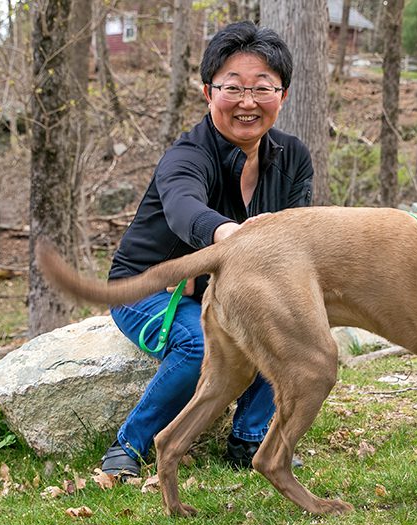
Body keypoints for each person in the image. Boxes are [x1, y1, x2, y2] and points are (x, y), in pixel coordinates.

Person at [100, 22, 314, 479]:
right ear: (207, 92)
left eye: (262, 89)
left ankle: (251, 438)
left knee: (286, 329)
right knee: (199, 347)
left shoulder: (293, 157)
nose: (248, 103)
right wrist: (233, 237)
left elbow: (300, 231)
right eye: (233, 88)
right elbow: (183, 210)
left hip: (227, 291)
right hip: (148, 286)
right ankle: (129, 447)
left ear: (284, 94)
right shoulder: (187, 155)